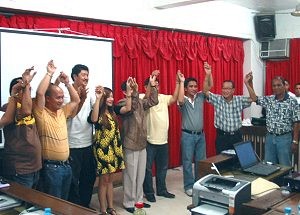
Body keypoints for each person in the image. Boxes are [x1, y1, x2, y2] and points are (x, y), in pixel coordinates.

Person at [33, 60, 80, 199]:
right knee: (53, 205)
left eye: (62, 97)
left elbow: (76, 100)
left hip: (66, 166)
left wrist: (67, 83)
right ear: (48, 99)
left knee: (63, 204)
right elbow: (40, 93)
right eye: (58, 98)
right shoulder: (41, 113)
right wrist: (49, 73)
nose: (61, 100)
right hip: (51, 169)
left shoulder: (62, 112)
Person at [115, 75, 158, 213]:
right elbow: (130, 108)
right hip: (130, 143)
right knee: (130, 176)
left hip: (142, 143)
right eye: (131, 88)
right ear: (124, 91)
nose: (134, 89)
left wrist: (152, 86)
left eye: (134, 87)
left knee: (141, 175)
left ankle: (139, 200)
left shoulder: (140, 101)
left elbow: (153, 101)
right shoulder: (122, 103)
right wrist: (132, 93)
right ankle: (128, 202)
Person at [88, 80, 131, 215]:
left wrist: (129, 94)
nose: (112, 99)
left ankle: (110, 207)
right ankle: (102, 209)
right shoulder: (98, 112)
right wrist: (98, 98)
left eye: (112, 96)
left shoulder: (113, 112)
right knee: (103, 180)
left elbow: (128, 108)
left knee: (110, 179)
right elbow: (93, 119)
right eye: (109, 96)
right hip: (102, 150)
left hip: (114, 149)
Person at [142, 70, 184, 203]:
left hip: (163, 140)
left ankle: (162, 190)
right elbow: (146, 97)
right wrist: (151, 82)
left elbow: (174, 97)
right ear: (147, 86)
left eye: (157, 84)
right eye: (153, 84)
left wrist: (178, 83)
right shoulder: (144, 97)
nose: (156, 87)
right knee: (147, 169)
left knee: (162, 168)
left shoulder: (163, 97)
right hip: (149, 140)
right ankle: (149, 192)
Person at [62, 64, 96, 208]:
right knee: (72, 181)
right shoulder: (63, 95)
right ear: (75, 77)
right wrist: (80, 98)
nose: (86, 78)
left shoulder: (90, 95)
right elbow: (70, 115)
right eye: (83, 75)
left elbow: (97, 113)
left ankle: (85, 205)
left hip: (88, 143)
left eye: (87, 75)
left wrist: (101, 97)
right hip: (72, 145)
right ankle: (74, 208)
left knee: (89, 178)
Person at [2, 68, 42, 188]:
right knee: (22, 205)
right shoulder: (7, 108)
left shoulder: (31, 104)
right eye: (23, 90)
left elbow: (42, 94)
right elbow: (25, 111)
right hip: (20, 169)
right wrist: (24, 86)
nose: (27, 94)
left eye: (29, 91)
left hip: (35, 166)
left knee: (33, 204)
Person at [177, 62, 212, 197]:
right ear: (185, 89)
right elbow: (179, 100)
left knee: (201, 161)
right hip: (187, 136)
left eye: (195, 86)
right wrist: (181, 82)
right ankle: (188, 186)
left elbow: (207, 87)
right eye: (190, 86)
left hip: (201, 135)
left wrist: (208, 74)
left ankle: (199, 184)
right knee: (187, 162)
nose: (193, 88)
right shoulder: (183, 100)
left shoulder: (200, 97)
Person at [248, 76, 300, 166]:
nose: (276, 88)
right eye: (274, 85)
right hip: (270, 137)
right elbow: (254, 98)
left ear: (284, 86)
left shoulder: (292, 101)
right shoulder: (269, 99)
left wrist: (295, 141)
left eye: (279, 85)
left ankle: (285, 181)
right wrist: (249, 83)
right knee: (269, 165)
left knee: (285, 166)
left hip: (284, 138)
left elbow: (297, 122)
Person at [204, 71, 255, 154]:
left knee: (237, 162)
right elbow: (205, 91)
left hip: (236, 136)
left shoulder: (239, 100)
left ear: (233, 90)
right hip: (222, 137)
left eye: (228, 88)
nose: (225, 91)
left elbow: (253, 98)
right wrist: (208, 74)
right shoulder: (217, 99)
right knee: (221, 162)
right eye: (224, 88)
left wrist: (248, 83)